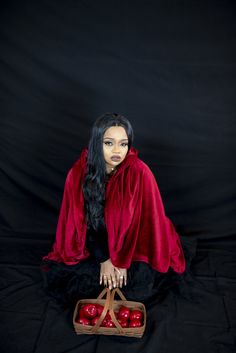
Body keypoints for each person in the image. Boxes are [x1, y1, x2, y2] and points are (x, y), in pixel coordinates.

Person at [41, 112, 186, 307]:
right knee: (80, 286)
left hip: (134, 243)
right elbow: (82, 223)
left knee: (137, 290)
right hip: (96, 242)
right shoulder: (78, 174)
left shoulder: (140, 172)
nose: (117, 150)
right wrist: (105, 260)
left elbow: (146, 222)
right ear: (96, 143)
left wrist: (122, 260)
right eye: (109, 143)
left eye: (123, 143)